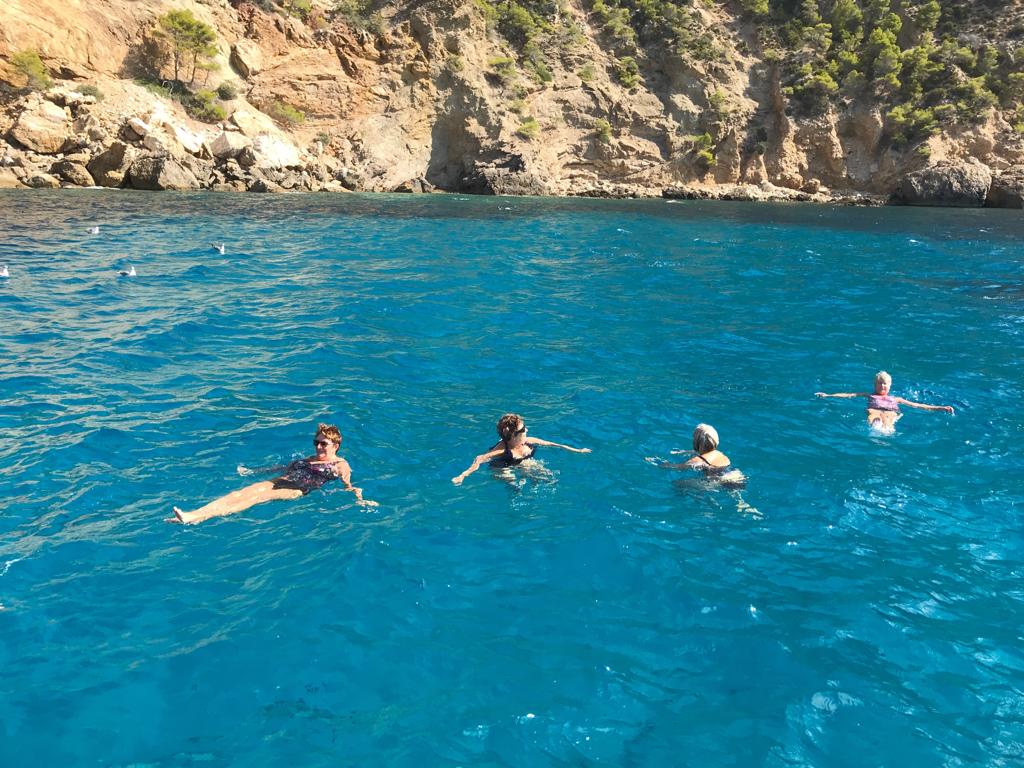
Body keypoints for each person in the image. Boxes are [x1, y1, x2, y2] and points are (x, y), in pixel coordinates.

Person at [169, 423, 375, 524]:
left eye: (324, 444)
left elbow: (348, 485)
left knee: (255, 498)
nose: (319, 447)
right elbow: (283, 467)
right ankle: (193, 514)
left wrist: (360, 499)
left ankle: (200, 518)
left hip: (297, 490)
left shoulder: (340, 464)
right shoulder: (308, 458)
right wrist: (254, 471)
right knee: (238, 494)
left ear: (336, 445)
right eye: (316, 442)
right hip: (280, 480)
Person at [451, 413, 591, 485]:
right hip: (501, 466)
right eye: (523, 429)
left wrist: (578, 451)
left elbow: (552, 444)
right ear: (513, 436)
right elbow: (480, 458)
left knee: (546, 476)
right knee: (513, 482)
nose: (527, 430)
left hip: (520, 461)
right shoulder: (501, 450)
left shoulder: (527, 441)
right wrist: (462, 476)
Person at [815, 370, 954, 432]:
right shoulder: (869, 395)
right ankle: (875, 427)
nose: (882, 386)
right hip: (874, 410)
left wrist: (940, 408)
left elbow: (917, 405)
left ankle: (887, 429)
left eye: (885, 384)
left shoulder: (896, 399)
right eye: (879, 383)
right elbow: (849, 395)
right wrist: (828, 395)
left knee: (888, 417)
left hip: (891, 412)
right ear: (874, 385)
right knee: (873, 413)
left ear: (890, 385)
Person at [648, 423, 746, 486]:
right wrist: (684, 452)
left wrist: (657, 463)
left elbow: (677, 467)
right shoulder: (717, 453)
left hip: (721, 480)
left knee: (679, 484)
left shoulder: (698, 460)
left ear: (696, 442)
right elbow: (702, 454)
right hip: (737, 475)